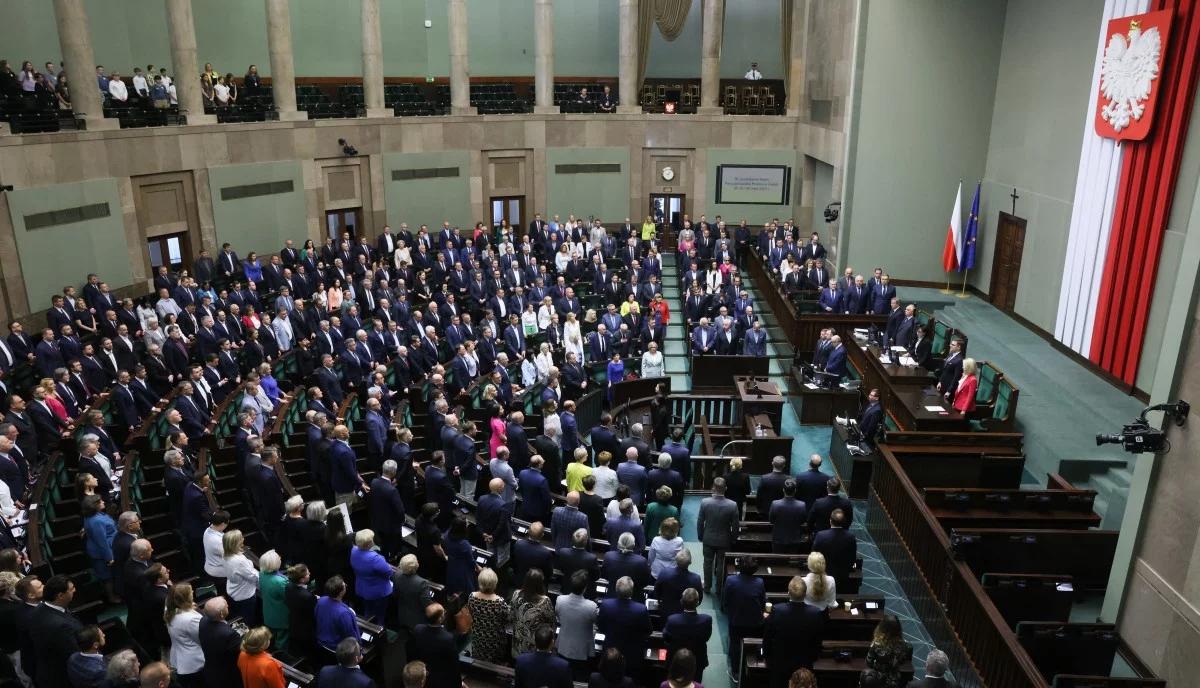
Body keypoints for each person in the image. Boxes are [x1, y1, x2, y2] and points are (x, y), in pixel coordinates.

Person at [764, 577, 825, 688]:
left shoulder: (778, 610)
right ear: (805, 593)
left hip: (780, 663)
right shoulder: (815, 613)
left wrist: (767, 657)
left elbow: (767, 637)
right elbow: (818, 640)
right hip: (804, 664)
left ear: (788, 592)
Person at [723, 556, 766, 677]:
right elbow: (762, 602)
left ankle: (735, 670)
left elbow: (726, 601)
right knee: (754, 643)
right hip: (755, 621)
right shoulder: (759, 582)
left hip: (736, 620)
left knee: (735, 644)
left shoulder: (731, 580)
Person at [696, 477, 739, 595]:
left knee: (707, 563)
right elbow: (735, 526)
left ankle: (707, 587)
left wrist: (701, 536)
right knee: (721, 564)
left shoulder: (705, 502)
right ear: (725, 488)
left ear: (713, 488)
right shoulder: (733, 505)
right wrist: (734, 539)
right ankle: (719, 588)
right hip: (724, 540)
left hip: (708, 537)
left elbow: (700, 522)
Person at [662, 588, 712, 685]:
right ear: (697, 603)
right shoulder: (707, 620)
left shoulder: (672, 620)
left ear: (681, 602)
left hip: (676, 659)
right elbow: (706, 638)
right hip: (698, 658)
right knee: (696, 683)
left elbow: (666, 638)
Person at [555, 569, 599, 679]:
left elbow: (559, 617)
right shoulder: (591, 606)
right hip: (582, 652)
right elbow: (596, 623)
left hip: (563, 647)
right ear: (585, 588)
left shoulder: (560, 600)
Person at [411, 604, 461, 688]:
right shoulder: (448, 638)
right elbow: (453, 663)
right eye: (443, 613)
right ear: (440, 619)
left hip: (422, 673)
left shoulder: (417, 629)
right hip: (440, 678)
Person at [165, 583, 205, 687]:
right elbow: (202, 638)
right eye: (190, 592)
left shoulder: (169, 610)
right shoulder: (191, 619)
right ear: (185, 598)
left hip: (180, 658)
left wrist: (190, 607)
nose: (192, 592)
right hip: (194, 663)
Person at [466, 568, 510, 663]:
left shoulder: (472, 597)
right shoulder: (500, 602)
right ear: (495, 582)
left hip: (478, 637)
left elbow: (471, 613)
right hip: (495, 640)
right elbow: (507, 619)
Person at [351, 529, 394, 625]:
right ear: (369, 543)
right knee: (380, 615)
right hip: (378, 592)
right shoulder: (375, 558)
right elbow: (389, 572)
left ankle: (368, 629)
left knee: (368, 612)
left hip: (362, 588)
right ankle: (379, 632)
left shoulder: (353, 551)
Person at [81, 494, 119, 603]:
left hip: (107, 548)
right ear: (94, 506)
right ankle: (111, 598)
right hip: (101, 554)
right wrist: (109, 558)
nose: (103, 502)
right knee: (107, 577)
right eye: (100, 501)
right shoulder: (96, 521)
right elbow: (101, 542)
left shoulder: (96, 514)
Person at [199, 597, 242, 688]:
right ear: (222, 614)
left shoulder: (202, 622)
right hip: (228, 676)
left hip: (210, 669)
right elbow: (238, 656)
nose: (228, 606)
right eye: (226, 606)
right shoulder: (230, 634)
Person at [867, 615, 914, 688]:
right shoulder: (906, 646)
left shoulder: (876, 645)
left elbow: (869, 662)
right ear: (898, 629)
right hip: (894, 679)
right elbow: (902, 662)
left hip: (878, 678)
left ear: (882, 628)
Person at [224, 529, 259, 624]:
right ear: (236, 543)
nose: (243, 539)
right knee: (248, 620)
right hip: (245, 596)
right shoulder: (239, 561)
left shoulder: (225, 554)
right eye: (241, 538)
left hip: (234, 590)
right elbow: (253, 576)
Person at [813, 508, 857, 584]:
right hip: (843, 575)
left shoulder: (821, 535)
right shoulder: (851, 537)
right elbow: (852, 557)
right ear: (844, 522)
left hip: (824, 574)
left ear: (830, 521)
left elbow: (814, 554)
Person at [770, 480, 809, 553]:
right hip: (794, 539)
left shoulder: (775, 504)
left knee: (778, 561)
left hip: (779, 539)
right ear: (795, 491)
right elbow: (803, 521)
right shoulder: (802, 505)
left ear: (783, 490)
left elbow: (771, 520)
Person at [443, 517, 477, 595]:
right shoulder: (464, 544)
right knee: (468, 586)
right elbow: (471, 560)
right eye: (467, 524)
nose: (468, 524)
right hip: (463, 567)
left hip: (452, 562)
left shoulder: (446, 535)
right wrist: (478, 567)